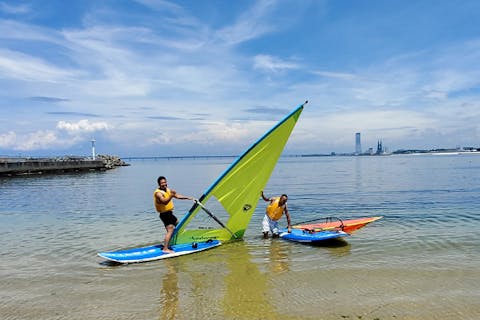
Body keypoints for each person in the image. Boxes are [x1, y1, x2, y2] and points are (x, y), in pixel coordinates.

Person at [154, 176, 193, 253]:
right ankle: (165, 249)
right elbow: (164, 201)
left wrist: (189, 198)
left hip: (170, 214)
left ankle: (173, 242)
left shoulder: (168, 190)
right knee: (170, 230)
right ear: (159, 184)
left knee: (180, 225)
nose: (164, 184)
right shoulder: (158, 193)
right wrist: (171, 195)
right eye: (162, 183)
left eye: (165, 182)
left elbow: (177, 196)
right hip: (164, 215)